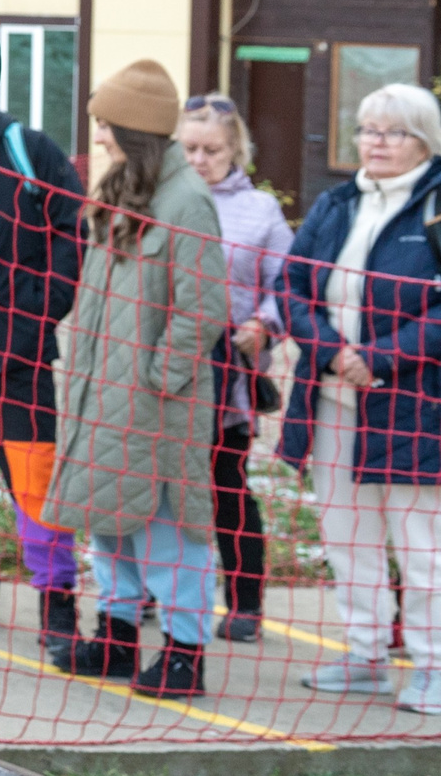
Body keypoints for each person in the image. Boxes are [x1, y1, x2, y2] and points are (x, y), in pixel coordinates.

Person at [44, 60, 229, 696]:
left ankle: (184, 654)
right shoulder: (118, 188)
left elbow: (201, 308)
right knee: (108, 519)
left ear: (136, 130)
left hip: (155, 403)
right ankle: (118, 639)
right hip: (101, 393)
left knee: (168, 530)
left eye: (106, 123)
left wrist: (159, 377)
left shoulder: (188, 201)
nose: (98, 136)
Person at [280, 82, 441, 712]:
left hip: (412, 408)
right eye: (368, 130)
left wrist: (375, 358)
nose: (376, 142)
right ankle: (366, 652)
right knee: (347, 535)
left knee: (420, 544)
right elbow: (291, 281)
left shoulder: (433, 208)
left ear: (423, 142)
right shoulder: (336, 203)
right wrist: (329, 351)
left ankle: (432, 663)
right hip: (329, 399)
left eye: (393, 132)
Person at [0, 101, 84, 644]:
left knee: (35, 478)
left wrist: (41, 306)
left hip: (22, 349)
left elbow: (73, 231)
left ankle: (57, 602)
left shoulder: (34, 151)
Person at [176, 93, 292, 643]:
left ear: (236, 149)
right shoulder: (162, 198)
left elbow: (287, 286)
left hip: (231, 376)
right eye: (190, 148)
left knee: (227, 485)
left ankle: (244, 602)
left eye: (212, 149)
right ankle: (154, 594)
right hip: (169, 369)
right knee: (159, 485)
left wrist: (264, 324)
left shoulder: (261, 212)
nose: (200, 159)